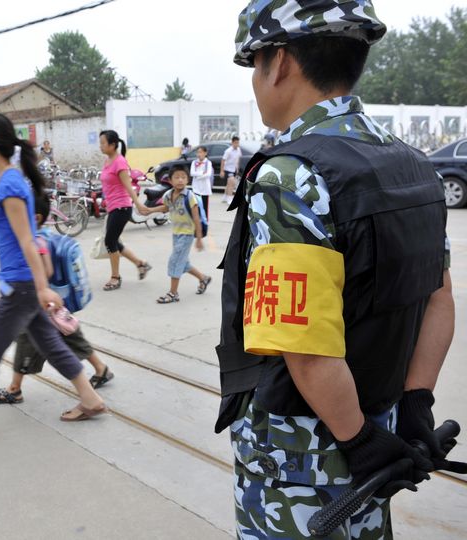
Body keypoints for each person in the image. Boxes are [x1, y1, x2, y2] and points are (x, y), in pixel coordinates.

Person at [216, 2, 464, 538]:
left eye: (254, 65)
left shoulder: (290, 175)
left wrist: (355, 438)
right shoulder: (414, 165)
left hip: (302, 461)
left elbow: (303, 343)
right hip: (385, 436)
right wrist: (415, 401)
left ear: (280, 62)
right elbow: (439, 296)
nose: (256, 82)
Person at [0, 113, 106, 446]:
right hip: (22, 282)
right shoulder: (8, 181)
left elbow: (29, 239)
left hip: (21, 285)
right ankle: (90, 398)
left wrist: (41, 287)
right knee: (50, 344)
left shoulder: (10, 185)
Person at [0, 193, 114, 404]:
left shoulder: (36, 240)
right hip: (52, 303)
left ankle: (15, 389)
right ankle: (100, 368)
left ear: (36, 217)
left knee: (28, 340)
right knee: (70, 335)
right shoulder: (41, 235)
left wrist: (30, 285)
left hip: (40, 304)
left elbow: (46, 270)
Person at [140, 166, 211, 303]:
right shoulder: (168, 195)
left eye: (183, 177)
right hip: (176, 234)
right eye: (177, 177)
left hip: (187, 234)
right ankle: (203, 278)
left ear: (187, 180)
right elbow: (166, 207)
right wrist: (150, 210)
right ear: (170, 180)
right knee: (183, 263)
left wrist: (199, 238)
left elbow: (196, 218)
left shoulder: (190, 196)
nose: (180, 180)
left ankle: (173, 293)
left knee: (175, 261)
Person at [98, 129, 151, 291]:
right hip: (113, 207)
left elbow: (128, 186)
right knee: (114, 241)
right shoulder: (108, 160)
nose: (100, 146)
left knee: (110, 241)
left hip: (122, 207)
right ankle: (141, 264)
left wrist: (138, 204)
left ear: (113, 144)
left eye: (103, 143)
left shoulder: (119, 162)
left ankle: (115, 277)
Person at [189, 146, 213, 219]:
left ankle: (205, 220)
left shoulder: (208, 163)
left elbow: (208, 174)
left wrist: (198, 176)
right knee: (196, 205)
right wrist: (202, 173)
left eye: (201, 152)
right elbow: (192, 173)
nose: (199, 154)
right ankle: (197, 220)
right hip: (196, 187)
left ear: (205, 153)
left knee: (205, 205)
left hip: (205, 187)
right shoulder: (194, 162)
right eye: (198, 152)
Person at [220, 136, 242, 204]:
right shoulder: (228, 151)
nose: (237, 144)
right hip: (228, 169)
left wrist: (237, 168)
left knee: (229, 184)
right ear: (232, 142)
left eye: (238, 143)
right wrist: (222, 171)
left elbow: (238, 159)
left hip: (234, 169)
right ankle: (229, 198)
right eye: (235, 143)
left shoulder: (238, 150)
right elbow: (223, 160)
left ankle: (225, 197)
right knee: (232, 183)